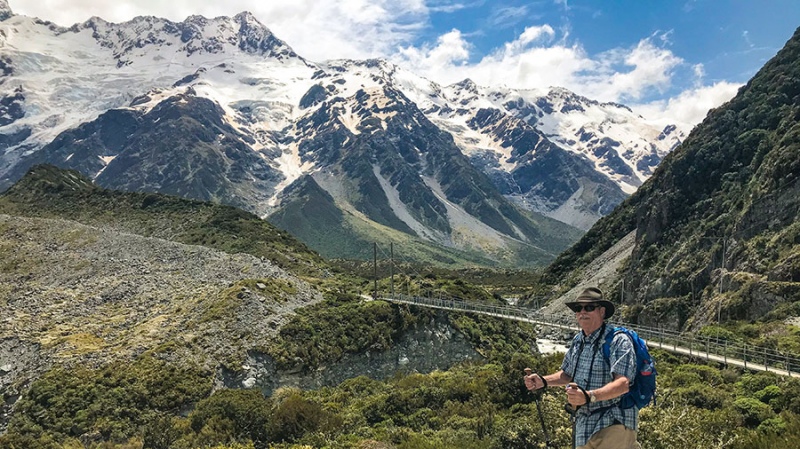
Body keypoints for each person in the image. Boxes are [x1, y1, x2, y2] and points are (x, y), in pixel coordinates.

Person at [524, 287, 641, 449]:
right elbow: (566, 374)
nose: (582, 312)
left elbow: (622, 384)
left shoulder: (618, 340)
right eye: (578, 308)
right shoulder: (579, 340)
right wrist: (543, 381)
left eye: (589, 307)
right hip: (584, 426)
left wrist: (589, 396)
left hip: (613, 422)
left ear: (602, 311)